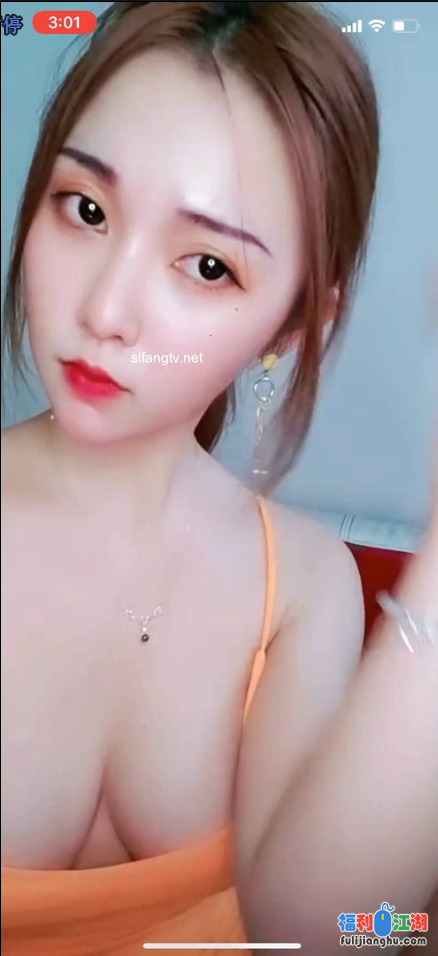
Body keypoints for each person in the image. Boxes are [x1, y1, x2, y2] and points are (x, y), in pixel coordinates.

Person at [1, 2, 436, 954]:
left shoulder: (303, 584)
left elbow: (334, 933)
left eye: (206, 265)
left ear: (293, 325)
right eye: (86, 209)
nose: (106, 310)